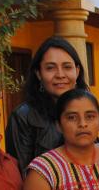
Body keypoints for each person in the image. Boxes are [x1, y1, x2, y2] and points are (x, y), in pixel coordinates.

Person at [6, 37, 89, 171]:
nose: (60, 75)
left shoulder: (86, 110)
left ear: (77, 71)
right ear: (39, 73)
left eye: (67, 67)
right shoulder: (23, 117)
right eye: (50, 68)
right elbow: (21, 174)